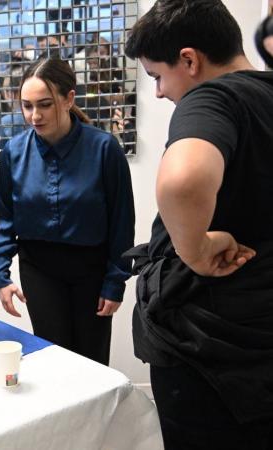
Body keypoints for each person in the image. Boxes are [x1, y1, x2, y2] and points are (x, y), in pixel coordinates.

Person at [124, 1, 273, 448]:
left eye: (157, 77)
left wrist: (197, 249)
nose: (159, 93)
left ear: (189, 60)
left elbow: (183, 180)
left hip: (208, 345)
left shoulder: (214, 97)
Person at [0, 58, 135, 365]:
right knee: (54, 360)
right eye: (27, 106)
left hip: (91, 270)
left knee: (91, 361)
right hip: (39, 269)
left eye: (44, 104)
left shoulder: (105, 149)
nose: (34, 116)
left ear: (69, 98)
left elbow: (122, 222)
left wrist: (115, 281)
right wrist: (1, 273)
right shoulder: (14, 152)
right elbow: (5, 217)